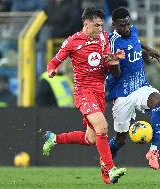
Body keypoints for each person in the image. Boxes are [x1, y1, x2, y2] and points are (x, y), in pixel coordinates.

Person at [42, 7, 126, 184]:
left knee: (92, 138)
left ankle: (54, 138)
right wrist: (51, 71)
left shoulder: (103, 37)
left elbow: (106, 62)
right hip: (83, 93)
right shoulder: (73, 41)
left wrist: (114, 59)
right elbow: (54, 62)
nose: (101, 29)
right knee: (102, 127)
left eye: (102, 25)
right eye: (97, 25)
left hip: (99, 93)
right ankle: (110, 170)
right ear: (86, 23)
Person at [107, 7, 160, 170]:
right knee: (120, 140)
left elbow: (136, 42)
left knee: (158, 102)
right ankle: (107, 157)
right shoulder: (111, 43)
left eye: (127, 24)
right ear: (114, 25)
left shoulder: (133, 31)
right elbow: (116, 75)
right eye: (122, 26)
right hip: (122, 94)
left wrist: (149, 50)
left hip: (140, 86)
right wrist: (115, 62)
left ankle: (153, 151)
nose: (126, 28)